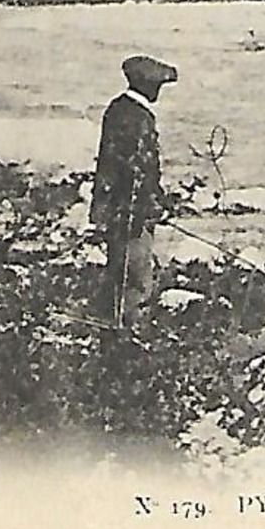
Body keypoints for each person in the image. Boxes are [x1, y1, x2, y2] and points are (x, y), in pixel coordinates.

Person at [90, 54, 177, 328]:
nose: (158, 92)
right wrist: (154, 206)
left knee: (118, 273)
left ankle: (111, 330)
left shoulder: (117, 109)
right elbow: (139, 171)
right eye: (157, 87)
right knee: (137, 280)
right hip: (131, 214)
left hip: (114, 211)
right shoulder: (139, 118)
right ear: (147, 86)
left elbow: (112, 166)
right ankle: (129, 339)